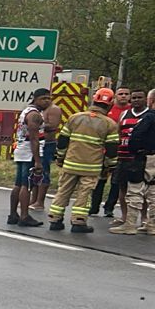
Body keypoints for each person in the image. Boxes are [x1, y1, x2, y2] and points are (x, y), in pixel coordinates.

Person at [48, 87, 121, 233]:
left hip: (70, 163)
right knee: (84, 193)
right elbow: (112, 149)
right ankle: (78, 222)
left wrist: (60, 157)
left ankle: (55, 220)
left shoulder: (75, 117)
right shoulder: (109, 124)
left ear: (94, 100)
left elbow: (63, 140)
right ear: (111, 103)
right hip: (91, 167)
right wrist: (110, 165)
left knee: (63, 191)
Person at [109, 88, 152, 232]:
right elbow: (117, 134)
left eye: (139, 97)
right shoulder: (124, 115)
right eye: (133, 98)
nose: (136, 100)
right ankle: (126, 218)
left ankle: (144, 219)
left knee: (144, 189)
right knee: (123, 187)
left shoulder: (149, 116)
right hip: (123, 156)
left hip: (141, 158)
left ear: (146, 99)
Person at [92, 85, 135, 219]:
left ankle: (109, 208)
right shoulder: (108, 110)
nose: (123, 96)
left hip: (122, 152)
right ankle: (94, 207)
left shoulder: (131, 111)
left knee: (116, 182)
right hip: (103, 151)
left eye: (126, 94)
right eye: (121, 93)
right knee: (100, 180)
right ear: (115, 96)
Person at [10, 88, 48, 227]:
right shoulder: (34, 115)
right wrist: (38, 161)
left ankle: (13, 214)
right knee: (27, 185)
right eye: (43, 98)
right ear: (35, 99)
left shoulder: (26, 111)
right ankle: (24, 216)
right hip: (29, 153)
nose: (47, 101)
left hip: (21, 150)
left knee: (18, 184)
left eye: (49, 98)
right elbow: (34, 138)